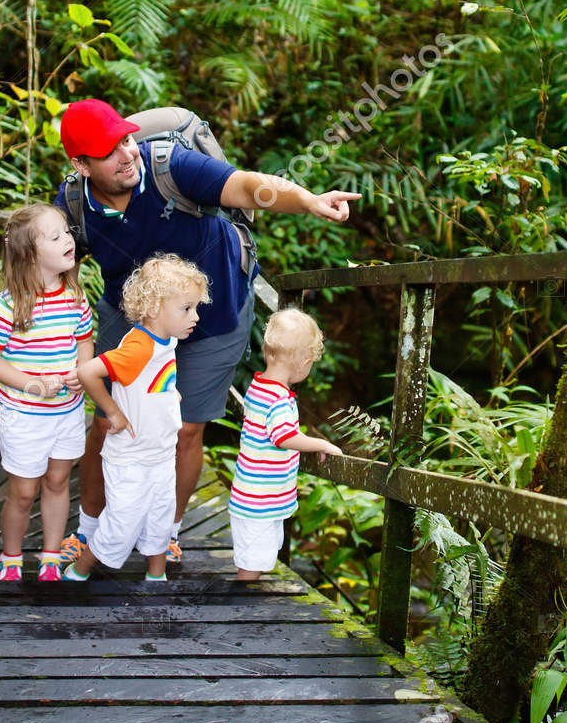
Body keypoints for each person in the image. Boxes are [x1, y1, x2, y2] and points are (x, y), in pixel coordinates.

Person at [54, 99, 359, 567]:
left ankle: (165, 532)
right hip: (132, 312)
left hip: (213, 311)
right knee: (105, 424)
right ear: (80, 164)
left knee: (188, 427)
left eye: (127, 140)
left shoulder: (169, 167)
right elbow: (54, 273)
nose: (128, 153)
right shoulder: (74, 204)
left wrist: (309, 201)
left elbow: (247, 186)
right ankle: (90, 530)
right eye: (109, 151)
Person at [61, 254, 208, 583]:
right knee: (121, 522)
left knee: (160, 517)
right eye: (187, 308)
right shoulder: (138, 348)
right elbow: (87, 372)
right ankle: (78, 570)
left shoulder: (166, 339)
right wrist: (112, 410)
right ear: (154, 308)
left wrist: (170, 394)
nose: (195, 316)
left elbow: (155, 380)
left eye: (195, 307)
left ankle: (156, 576)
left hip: (159, 451)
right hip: (131, 456)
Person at [0, 203, 94, 582]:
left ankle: (50, 555)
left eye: (67, 232)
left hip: (67, 411)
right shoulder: (8, 305)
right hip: (25, 414)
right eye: (55, 236)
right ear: (29, 253)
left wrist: (81, 371)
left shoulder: (76, 298)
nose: (68, 240)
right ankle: (11, 557)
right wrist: (30, 383)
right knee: (24, 492)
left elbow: (84, 341)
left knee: (59, 482)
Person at [229, 308, 343, 580]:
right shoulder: (279, 399)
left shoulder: (258, 387)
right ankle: (242, 606)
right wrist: (321, 444)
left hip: (251, 495)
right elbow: (284, 437)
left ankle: (246, 593)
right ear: (303, 364)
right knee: (252, 564)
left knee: (253, 557)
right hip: (260, 501)